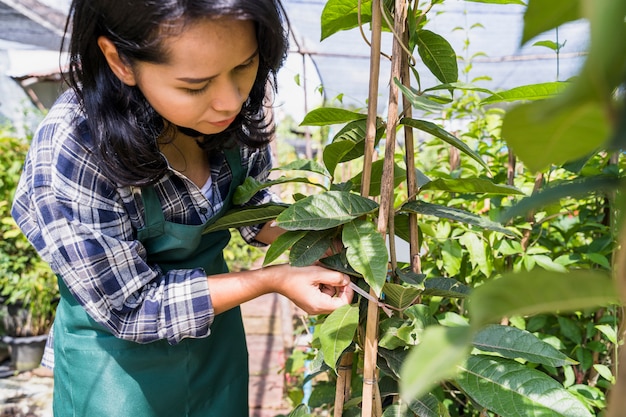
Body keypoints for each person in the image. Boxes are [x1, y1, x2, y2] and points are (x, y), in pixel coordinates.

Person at [11, 0, 353, 415]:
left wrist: (324, 237)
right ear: (120, 60)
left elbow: (250, 202)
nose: (229, 101)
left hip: (213, 337)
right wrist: (271, 280)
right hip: (116, 366)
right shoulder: (77, 146)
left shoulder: (233, 110)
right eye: (195, 86)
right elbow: (131, 306)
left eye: (244, 67)